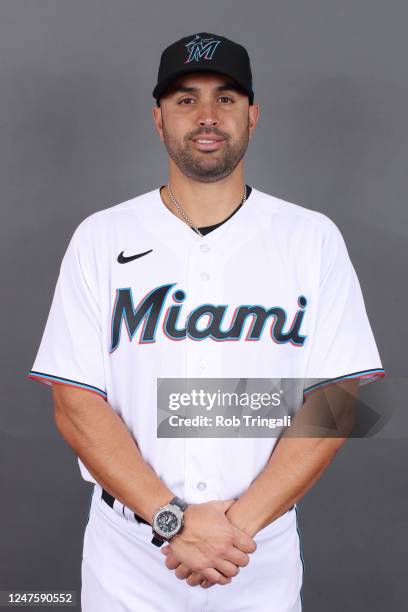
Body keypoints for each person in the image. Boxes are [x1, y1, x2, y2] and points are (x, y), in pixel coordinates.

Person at [27, 32, 385, 611]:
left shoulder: (311, 238)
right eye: (186, 99)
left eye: (226, 97)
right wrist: (172, 520)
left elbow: (338, 400)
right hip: (130, 553)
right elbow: (74, 402)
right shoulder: (101, 237)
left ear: (253, 113)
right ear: (158, 118)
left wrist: (231, 530)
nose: (207, 116)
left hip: (256, 548)